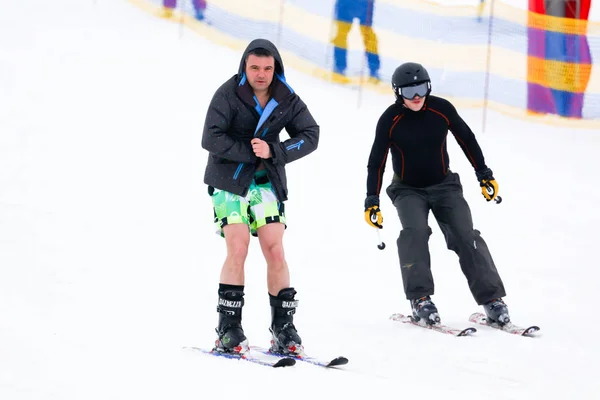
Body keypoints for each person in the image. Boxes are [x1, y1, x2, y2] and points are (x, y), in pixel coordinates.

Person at [363, 62, 510, 326]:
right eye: (409, 91)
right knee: (415, 234)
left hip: (445, 186)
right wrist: (371, 200)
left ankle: (493, 300)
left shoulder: (441, 109)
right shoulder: (390, 119)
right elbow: (377, 162)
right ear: (398, 93)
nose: (416, 96)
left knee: (466, 236)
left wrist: (483, 174)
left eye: (421, 88)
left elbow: (467, 139)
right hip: (407, 190)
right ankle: (421, 299)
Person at [202, 38, 319, 355]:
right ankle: (229, 329)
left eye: (267, 68)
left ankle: (283, 329)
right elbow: (210, 137)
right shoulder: (228, 93)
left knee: (275, 249)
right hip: (228, 179)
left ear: (275, 69)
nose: (261, 74)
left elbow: (310, 135)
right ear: (245, 67)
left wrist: (275, 151)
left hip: (266, 182)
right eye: (254, 67)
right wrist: (249, 153)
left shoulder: (286, 98)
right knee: (238, 246)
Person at [332, 0, 380, 83]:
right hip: (353, 3)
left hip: (361, 4)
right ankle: (339, 68)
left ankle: (373, 70)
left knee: (366, 35)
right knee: (342, 34)